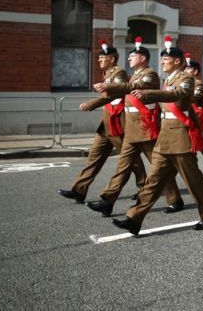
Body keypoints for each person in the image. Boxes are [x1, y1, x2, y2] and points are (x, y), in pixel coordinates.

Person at [110, 40, 203, 234]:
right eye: (162, 59)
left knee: (193, 181)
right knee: (153, 180)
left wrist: (151, 94)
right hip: (165, 137)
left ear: (177, 61)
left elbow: (180, 93)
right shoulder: (167, 80)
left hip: (181, 139)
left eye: (166, 59)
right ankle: (134, 219)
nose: (162, 63)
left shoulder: (186, 78)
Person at [87, 37, 183, 216]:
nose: (129, 58)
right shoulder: (134, 75)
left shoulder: (150, 74)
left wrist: (109, 85)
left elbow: (136, 86)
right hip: (131, 131)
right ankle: (108, 201)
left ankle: (175, 199)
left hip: (146, 129)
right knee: (122, 168)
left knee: (158, 168)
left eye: (133, 55)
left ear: (143, 58)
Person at [58, 40, 146, 203]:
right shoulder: (107, 74)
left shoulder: (118, 73)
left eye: (102, 58)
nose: (99, 60)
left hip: (117, 123)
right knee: (94, 158)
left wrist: (93, 103)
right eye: (98, 58)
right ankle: (79, 190)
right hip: (106, 124)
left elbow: (114, 95)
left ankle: (144, 187)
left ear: (112, 59)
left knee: (130, 159)